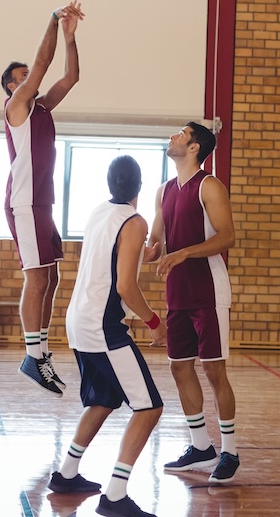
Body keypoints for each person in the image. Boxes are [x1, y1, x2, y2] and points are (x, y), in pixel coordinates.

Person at [52, 155, 165, 517]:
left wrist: (142, 253)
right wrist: (154, 322)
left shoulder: (101, 211)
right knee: (149, 407)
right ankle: (115, 495)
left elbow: (110, 259)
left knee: (103, 398)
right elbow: (125, 285)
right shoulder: (135, 221)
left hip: (78, 319)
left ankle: (67, 474)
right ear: (140, 187)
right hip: (103, 326)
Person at [144, 122, 240, 484]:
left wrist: (182, 253)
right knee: (179, 368)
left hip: (208, 290)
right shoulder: (163, 191)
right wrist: (142, 249)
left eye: (181, 133)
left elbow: (228, 237)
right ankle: (201, 447)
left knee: (214, 370)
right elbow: (156, 243)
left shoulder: (209, 185)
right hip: (177, 293)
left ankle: (229, 451)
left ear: (196, 146)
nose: (173, 136)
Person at [1, 0, 85, 395]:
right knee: (36, 277)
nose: (28, 79)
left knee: (51, 276)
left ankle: (41, 351)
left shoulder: (43, 108)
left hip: (42, 204)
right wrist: (53, 19)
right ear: (11, 87)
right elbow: (43, 64)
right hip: (24, 203)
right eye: (21, 77)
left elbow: (70, 76)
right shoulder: (16, 105)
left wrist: (70, 38)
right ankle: (33, 357)